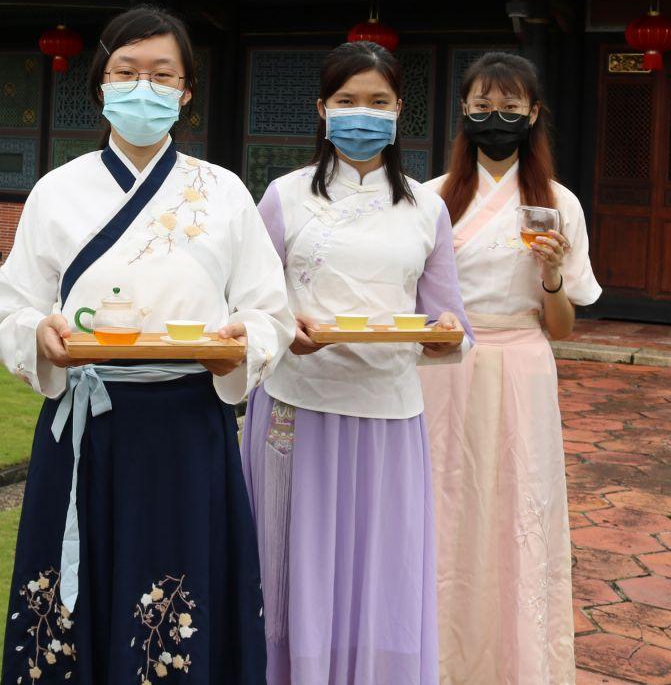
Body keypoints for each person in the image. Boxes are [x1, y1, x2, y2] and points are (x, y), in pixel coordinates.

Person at [0, 5, 292, 685]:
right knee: (69, 608)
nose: (143, 88)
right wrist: (38, 334)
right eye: (126, 72)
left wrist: (241, 341)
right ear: (101, 84)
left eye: (162, 74)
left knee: (177, 596)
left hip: (186, 423)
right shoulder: (57, 191)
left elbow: (270, 311)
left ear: (186, 92)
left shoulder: (223, 192)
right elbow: (10, 308)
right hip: (85, 425)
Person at [242, 40, 471, 685]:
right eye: (347, 101)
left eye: (378, 101)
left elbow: (450, 318)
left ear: (399, 111)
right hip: (297, 408)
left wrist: (447, 336)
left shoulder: (427, 208)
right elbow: (249, 302)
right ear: (322, 109)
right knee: (292, 567)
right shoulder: (284, 197)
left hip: (389, 417)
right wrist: (284, 329)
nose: (362, 114)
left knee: (383, 571)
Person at [418, 51, 601, 685]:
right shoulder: (429, 199)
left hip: (523, 364)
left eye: (510, 107)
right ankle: (438, 662)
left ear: (533, 113)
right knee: (444, 505)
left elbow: (562, 327)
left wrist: (551, 273)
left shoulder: (558, 204)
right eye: (482, 106)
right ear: (463, 111)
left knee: (520, 506)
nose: (495, 117)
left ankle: (518, 664)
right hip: (444, 366)